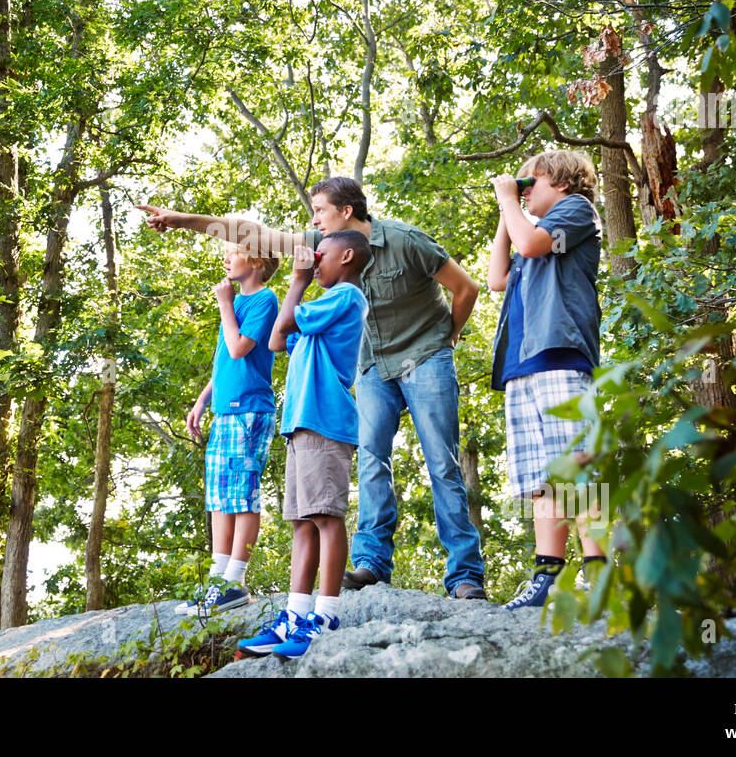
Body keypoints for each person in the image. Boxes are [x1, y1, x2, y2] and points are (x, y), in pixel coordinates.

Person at [138, 177, 487, 599]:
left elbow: (466, 288)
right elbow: (252, 233)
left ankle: (465, 575)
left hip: (424, 355)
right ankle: (372, 564)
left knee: (442, 463)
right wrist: (181, 220)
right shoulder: (321, 246)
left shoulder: (406, 240)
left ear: (345, 210)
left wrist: (446, 339)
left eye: (319, 210)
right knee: (373, 461)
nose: (312, 219)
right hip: (372, 364)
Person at [236, 229, 369, 658]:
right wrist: (301, 285)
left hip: (326, 421)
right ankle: (296, 614)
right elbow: (277, 340)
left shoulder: (346, 296)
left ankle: (326, 615)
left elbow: (288, 321)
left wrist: (297, 281)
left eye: (321, 255)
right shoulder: (319, 308)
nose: (314, 261)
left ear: (346, 256)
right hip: (300, 423)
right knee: (302, 520)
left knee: (327, 517)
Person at [487, 151, 606, 610]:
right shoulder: (528, 232)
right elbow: (498, 279)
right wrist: (508, 208)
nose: (524, 190)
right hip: (523, 365)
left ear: (558, 180)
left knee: (577, 467)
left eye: (529, 182)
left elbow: (533, 246)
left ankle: (597, 572)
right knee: (542, 479)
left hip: (561, 356)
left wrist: (509, 201)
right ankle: (548, 576)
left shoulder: (575, 209)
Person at [176, 246, 281, 616]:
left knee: (242, 494)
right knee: (219, 497)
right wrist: (202, 401)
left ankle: (235, 581)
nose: (225, 260)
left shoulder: (264, 300)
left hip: (250, 412)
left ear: (255, 262)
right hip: (225, 411)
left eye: (233, 254)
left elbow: (239, 349)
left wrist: (225, 302)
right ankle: (217, 583)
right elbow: (224, 362)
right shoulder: (236, 305)